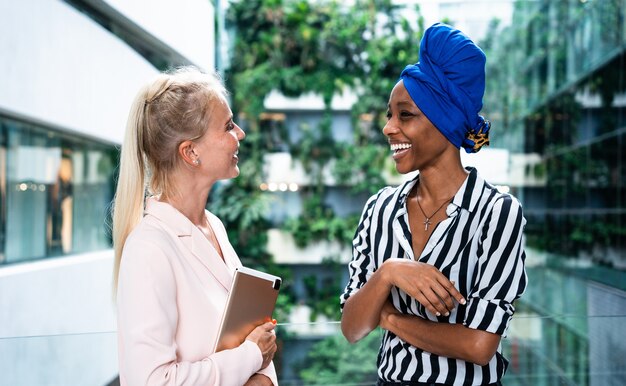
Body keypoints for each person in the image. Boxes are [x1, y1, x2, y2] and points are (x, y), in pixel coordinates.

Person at [340, 23, 527, 386]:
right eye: (389, 115)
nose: (388, 128)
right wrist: (389, 272)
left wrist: (390, 318)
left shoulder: (497, 212)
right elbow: (352, 326)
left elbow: (478, 344)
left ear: (446, 122)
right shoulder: (379, 209)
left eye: (405, 115)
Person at [112, 67, 278, 386]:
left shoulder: (213, 226)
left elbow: (251, 337)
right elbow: (152, 382)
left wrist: (262, 371)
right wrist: (252, 357)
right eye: (228, 125)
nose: (240, 133)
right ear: (191, 153)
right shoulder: (148, 248)